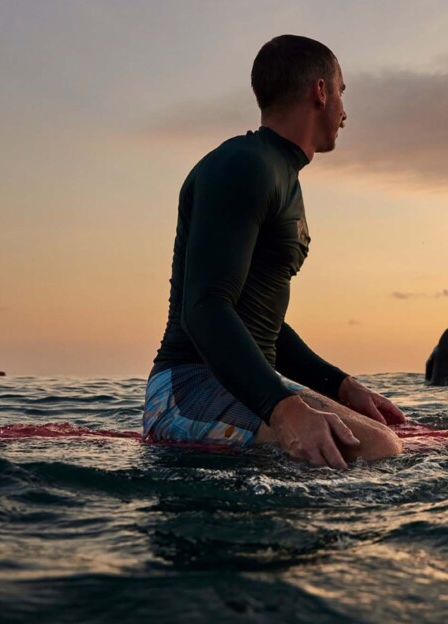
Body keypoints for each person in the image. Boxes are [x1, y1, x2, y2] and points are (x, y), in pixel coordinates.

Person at [144, 35, 405, 469]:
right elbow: (205, 308)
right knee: (379, 450)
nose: (345, 110)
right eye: (342, 90)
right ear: (320, 91)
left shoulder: (280, 174)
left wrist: (341, 386)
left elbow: (260, 326)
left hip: (241, 387)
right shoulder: (244, 165)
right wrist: (284, 410)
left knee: (387, 437)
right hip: (186, 388)